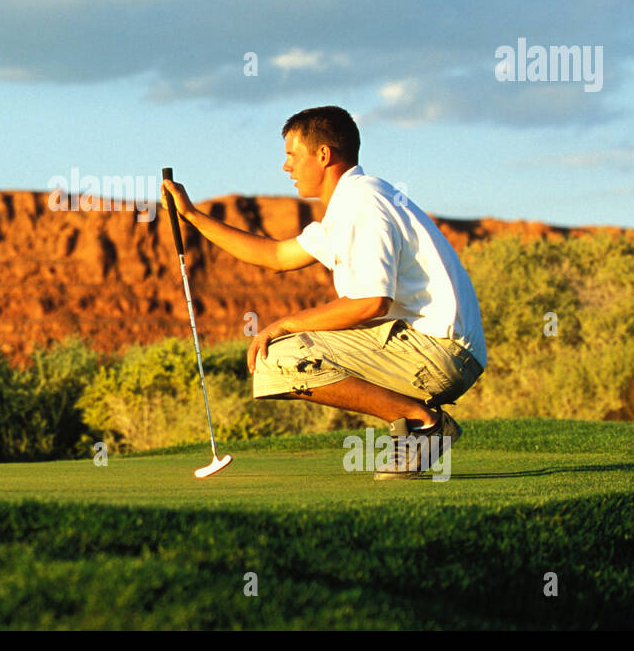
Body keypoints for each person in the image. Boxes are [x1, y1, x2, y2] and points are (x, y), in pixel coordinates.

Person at [160, 106, 486, 479]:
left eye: (292, 156)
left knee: (279, 355)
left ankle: (425, 424)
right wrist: (192, 217)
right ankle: (415, 425)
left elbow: (371, 302)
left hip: (440, 353)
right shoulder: (351, 204)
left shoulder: (362, 203)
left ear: (324, 155)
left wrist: (283, 325)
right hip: (438, 348)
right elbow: (277, 256)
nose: (286, 167)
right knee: (283, 351)